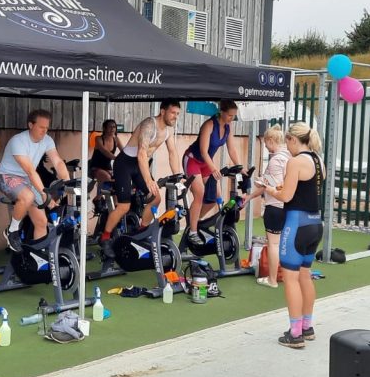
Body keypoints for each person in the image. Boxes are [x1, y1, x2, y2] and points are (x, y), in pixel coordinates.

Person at [265, 122, 324, 349]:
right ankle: (307, 326)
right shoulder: (318, 161)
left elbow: (286, 197)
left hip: (296, 224)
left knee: (290, 278)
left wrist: (270, 190)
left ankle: (295, 333)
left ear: (291, 139)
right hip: (314, 223)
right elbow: (304, 189)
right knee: (305, 276)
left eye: (286, 141)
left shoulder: (295, 161)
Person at [98, 100, 181, 258]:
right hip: (125, 164)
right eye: (172, 113)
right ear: (163, 111)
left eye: (177, 114)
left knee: (155, 198)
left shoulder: (168, 131)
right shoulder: (149, 125)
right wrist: (149, 180)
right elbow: (142, 153)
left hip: (139, 165)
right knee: (124, 206)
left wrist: (178, 176)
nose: (175, 117)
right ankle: (105, 237)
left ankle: (141, 232)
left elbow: (172, 152)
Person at [0, 109, 69, 252]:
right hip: (7, 177)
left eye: (47, 128)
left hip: (27, 180)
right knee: (28, 196)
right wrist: (43, 193)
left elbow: (58, 161)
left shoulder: (47, 140)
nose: (44, 131)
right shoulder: (18, 141)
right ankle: (12, 230)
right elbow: (30, 171)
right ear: (31, 125)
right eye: (41, 127)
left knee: (41, 222)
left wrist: (67, 182)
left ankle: (37, 257)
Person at [183, 99, 243, 248]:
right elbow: (203, 151)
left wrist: (240, 167)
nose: (231, 119)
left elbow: (232, 149)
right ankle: (193, 231)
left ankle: (193, 223)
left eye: (234, 116)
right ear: (221, 112)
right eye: (230, 115)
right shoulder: (209, 125)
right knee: (200, 193)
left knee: (216, 196)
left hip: (205, 163)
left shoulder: (228, 127)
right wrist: (214, 168)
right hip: (193, 159)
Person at [246, 125, 291, 288]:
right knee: (284, 244)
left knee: (273, 244)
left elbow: (274, 185)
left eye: (266, 143)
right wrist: (251, 196)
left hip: (275, 205)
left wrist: (261, 183)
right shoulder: (289, 157)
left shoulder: (275, 160)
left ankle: (272, 279)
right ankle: (285, 275)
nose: (265, 147)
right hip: (287, 206)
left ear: (271, 141)